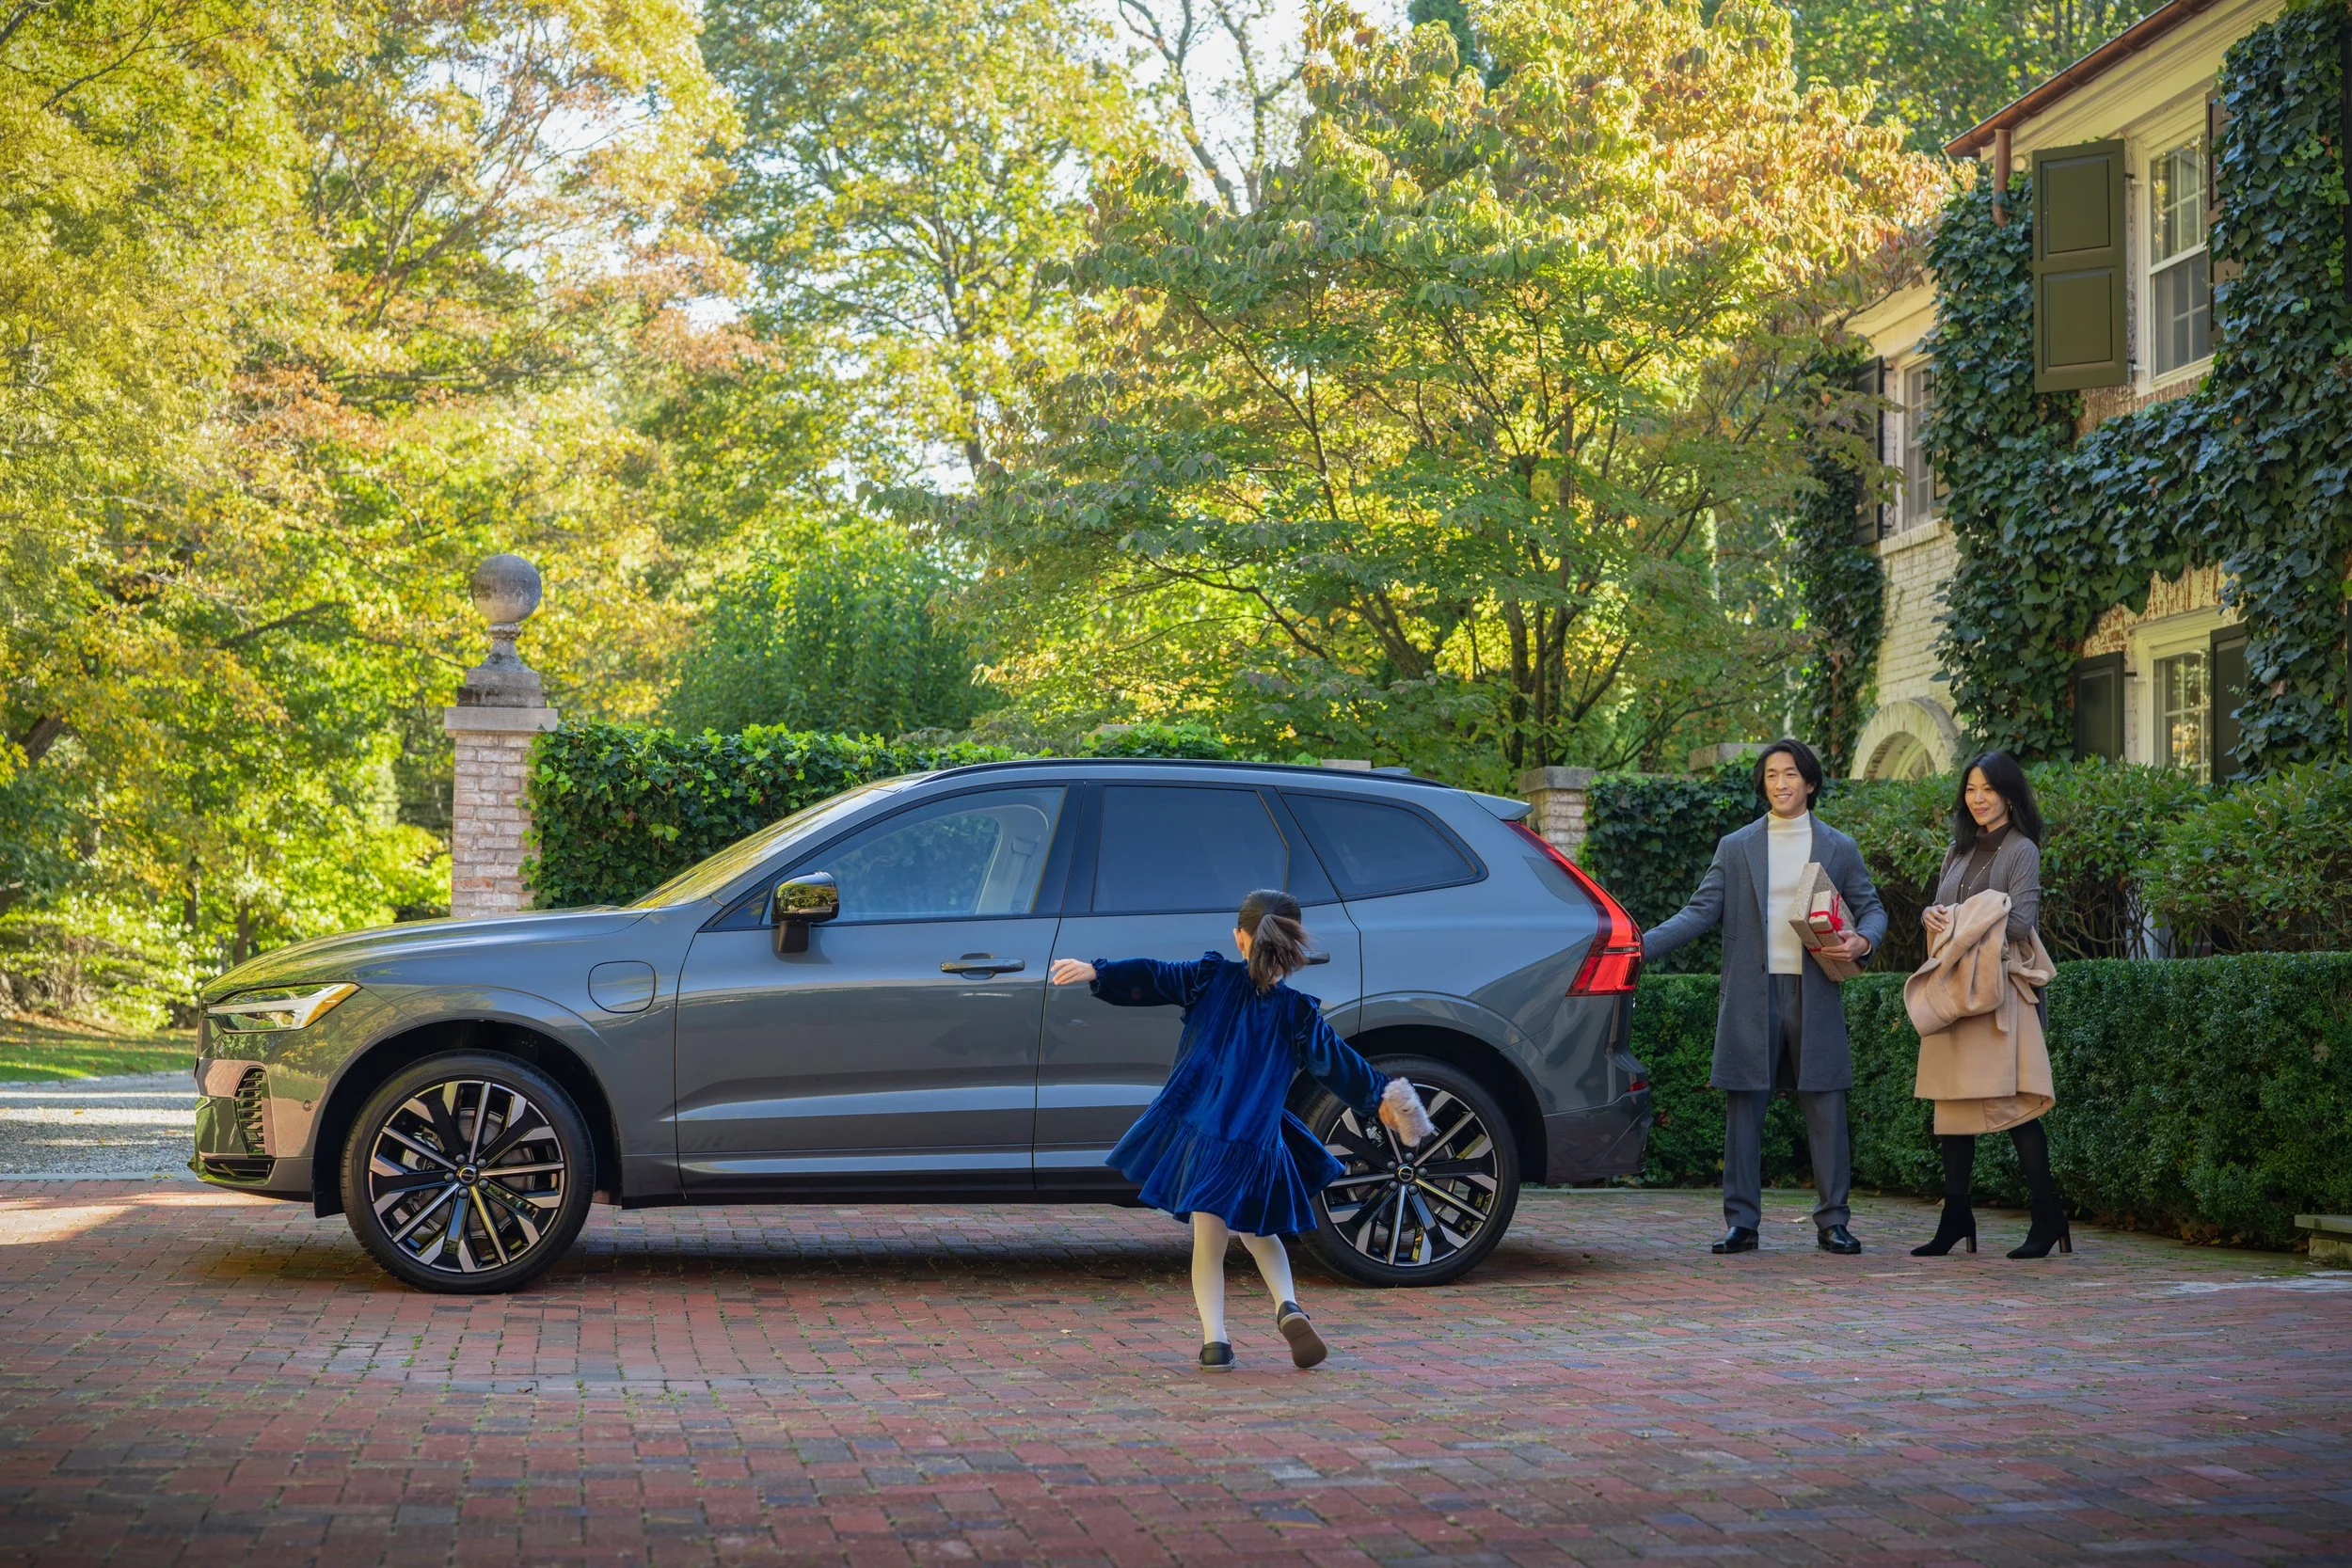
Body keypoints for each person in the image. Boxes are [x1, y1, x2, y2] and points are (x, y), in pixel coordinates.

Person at [1047, 889, 1426, 1372]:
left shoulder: (1210, 978)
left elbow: (1155, 974)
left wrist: (1098, 971)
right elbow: (1340, 1065)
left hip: (1205, 1137)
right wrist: (1388, 1102)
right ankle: (1288, 1305)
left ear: (1239, 939)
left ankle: (1216, 1343)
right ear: (1292, 945)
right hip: (1258, 1143)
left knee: (1209, 1241)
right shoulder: (1298, 1012)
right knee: (1258, 1230)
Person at [1642, 738, 1887, 1255]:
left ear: (1810, 782)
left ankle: (1834, 1222)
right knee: (1744, 1110)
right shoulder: (1737, 847)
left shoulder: (1838, 846)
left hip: (1814, 990)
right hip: (1751, 992)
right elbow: (1699, 912)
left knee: (1826, 1105)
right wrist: (1638, 947)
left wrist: (1863, 941)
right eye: (1772, 775)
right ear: (1762, 784)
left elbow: (1872, 909)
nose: (1781, 783)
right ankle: (1742, 1223)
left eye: (1791, 773)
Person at [1910, 752, 2071, 1259]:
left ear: (2009, 795)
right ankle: (1956, 1216)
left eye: (1989, 789)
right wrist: (1932, 916)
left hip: (2000, 993)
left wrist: (1958, 920)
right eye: (1971, 789)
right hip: (1955, 991)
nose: (1978, 799)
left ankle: (2047, 1216)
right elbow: (1943, 914)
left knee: (2015, 1105)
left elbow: (2021, 922)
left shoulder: (2022, 849)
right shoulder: (1957, 851)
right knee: (1953, 1105)